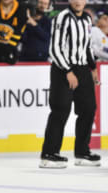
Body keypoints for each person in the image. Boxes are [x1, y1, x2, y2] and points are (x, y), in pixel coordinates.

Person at [40, 0, 101, 169]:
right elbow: (55, 48)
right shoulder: (62, 18)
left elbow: (87, 46)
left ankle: (82, 152)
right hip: (62, 68)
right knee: (60, 110)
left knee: (88, 109)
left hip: (82, 69)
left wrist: (92, 67)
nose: (78, 1)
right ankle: (49, 154)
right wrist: (68, 71)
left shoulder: (87, 19)